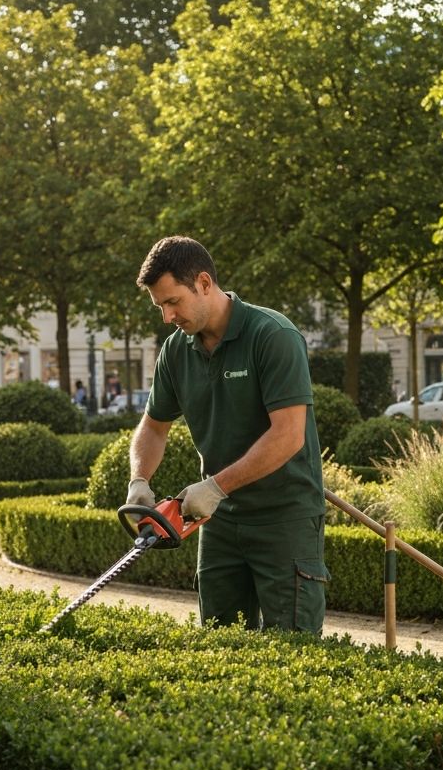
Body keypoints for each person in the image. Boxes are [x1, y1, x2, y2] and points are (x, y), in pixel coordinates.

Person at [128, 235, 329, 634]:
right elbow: (153, 426)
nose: (167, 317)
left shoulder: (272, 335)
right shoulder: (175, 352)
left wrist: (216, 487)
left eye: (173, 302)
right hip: (217, 522)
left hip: (282, 519)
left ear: (204, 283)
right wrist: (139, 479)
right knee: (221, 643)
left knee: (293, 650)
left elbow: (289, 436)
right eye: (160, 306)